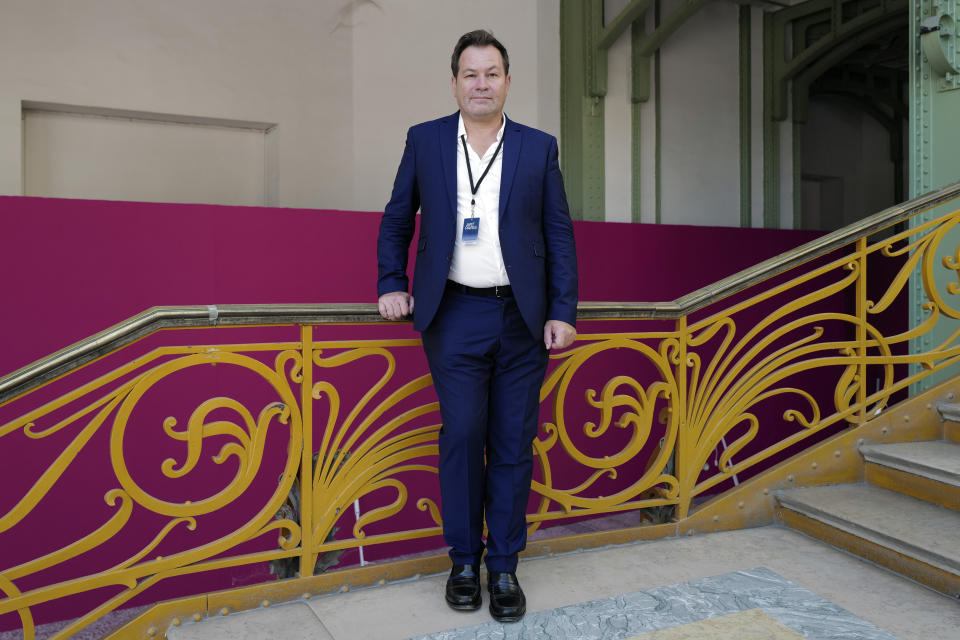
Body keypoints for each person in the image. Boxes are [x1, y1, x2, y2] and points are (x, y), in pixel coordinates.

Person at [376, 29, 578, 623]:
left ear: (508, 81)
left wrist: (562, 310)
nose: (481, 83)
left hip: (522, 318)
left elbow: (558, 234)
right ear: (456, 81)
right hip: (454, 312)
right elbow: (396, 219)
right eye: (471, 73)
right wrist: (392, 282)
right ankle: (464, 560)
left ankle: (505, 567)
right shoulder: (427, 140)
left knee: (514, 442)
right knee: (463, 435)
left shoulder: (538, 148)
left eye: (492, 73)